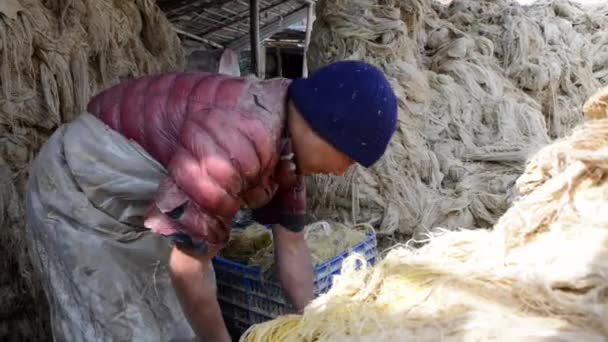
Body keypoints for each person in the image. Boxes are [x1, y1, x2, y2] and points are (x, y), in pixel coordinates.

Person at [25, 60, 398, 341]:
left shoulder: (288, 145)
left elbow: (293, 245)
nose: (342, 171)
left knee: (173, 319)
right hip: (78, 193)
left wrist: (316, 326)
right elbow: (188, 267)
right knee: (112, 324)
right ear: (326, 130)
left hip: (133, 210)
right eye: (349, 157)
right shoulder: (239, 137)